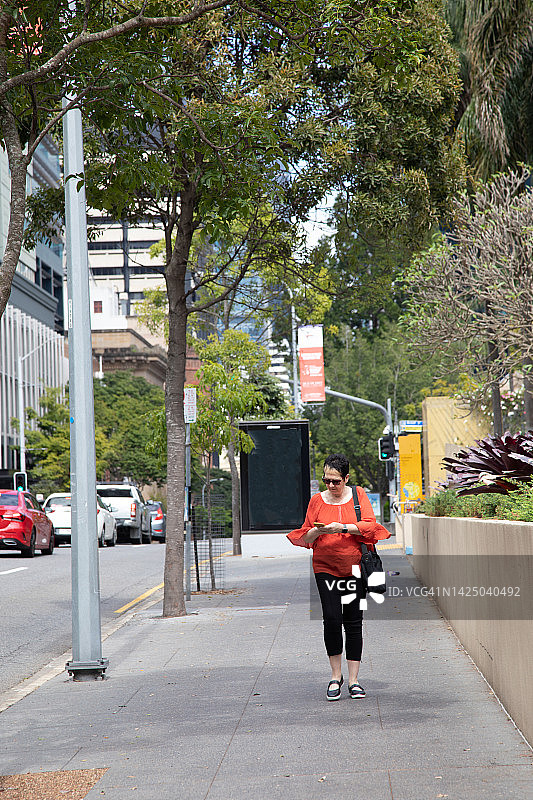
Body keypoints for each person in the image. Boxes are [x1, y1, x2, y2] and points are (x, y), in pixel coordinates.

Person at [287, 453, 390, 700]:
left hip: (355, 567)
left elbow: (370, 526)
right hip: (325, 567)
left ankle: (354, 679)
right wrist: (316, 531)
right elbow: (305, 537)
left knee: (353, 621)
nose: (331, 486)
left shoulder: (358, 495)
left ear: (346, 478)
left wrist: (341, 528)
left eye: (336, 481)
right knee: (332, 619)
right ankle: (336, 676)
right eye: (327, 481)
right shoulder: (316, 501)